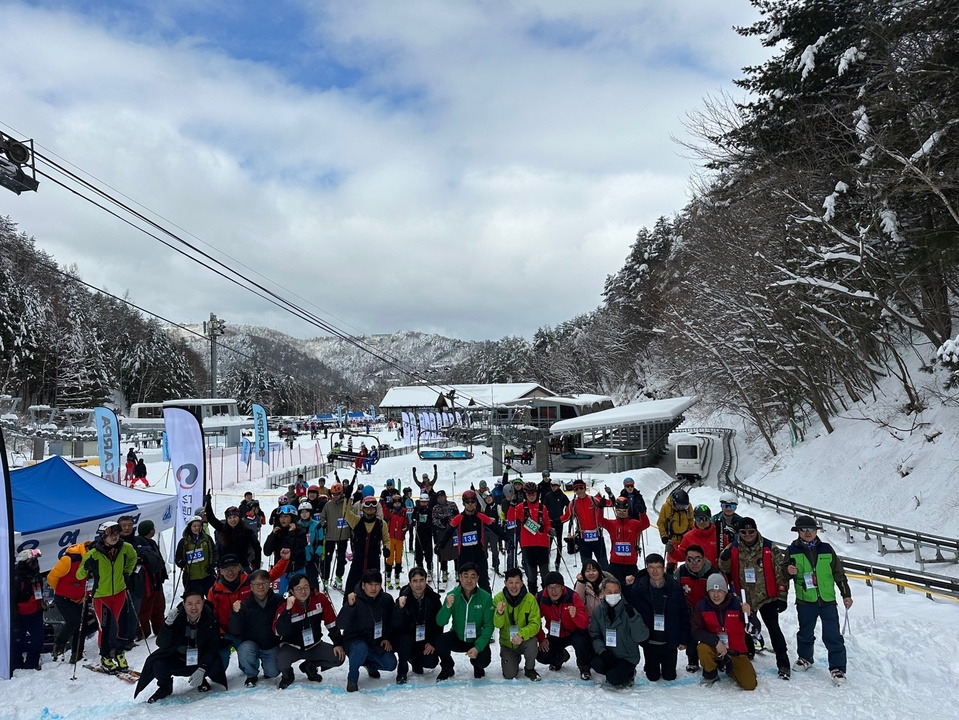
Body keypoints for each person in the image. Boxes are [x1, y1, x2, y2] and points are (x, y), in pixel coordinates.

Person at [718, 516, 791, 678]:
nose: (747, 534)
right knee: (742, 627)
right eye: (743, 532)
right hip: (744, 597)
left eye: (751, 531)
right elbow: (724, 567)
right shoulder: (733, 548)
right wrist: (724, 557)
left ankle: (783, 662)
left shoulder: (770, 547)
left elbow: (781, 574)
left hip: (766, 597)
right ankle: (748, 650)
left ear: (756, 530)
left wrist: (782, 597)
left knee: (773, 628)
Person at [786, 515, 853, 685]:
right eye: (804, 529)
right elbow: (782, 573)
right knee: (805, 632)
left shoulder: (827, 549)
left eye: (811, 529)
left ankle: (837, 668)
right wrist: (788, 571)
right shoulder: (792, 550)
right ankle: (805, 658)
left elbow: (839, 573)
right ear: (798, 532)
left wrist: (846, 594)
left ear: (816, 531)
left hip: (827, 600)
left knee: (833, 635)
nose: (808, 533)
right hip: (805, 600)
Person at [134, 587, 228, 702]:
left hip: (199, 660)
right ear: (183, 604)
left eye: (198, 603)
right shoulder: (176, 617)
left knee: (216, 663)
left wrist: (202, 668)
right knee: (158, 664)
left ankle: (202, 679)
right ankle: (165, 687)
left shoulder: (210, 619)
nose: (194, 607)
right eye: (189, 604)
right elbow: (162, 644)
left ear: (203, 603)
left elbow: (212, 647)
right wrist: (167, 625)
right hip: (178, 659)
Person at [76, 520, 137, 672]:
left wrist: (126, 572)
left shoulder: (125, 547)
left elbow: (133, 557)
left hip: (119, 593)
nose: (114, 537)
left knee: (122, 626)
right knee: (105, 627)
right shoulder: (93, 553)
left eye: (116, 533)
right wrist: (86, 566)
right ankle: (105, 656)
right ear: (103, 536)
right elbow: (79, 575)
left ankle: (120, 653)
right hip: (101, 596)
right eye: (110, 535)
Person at [624, 553, 690, 682]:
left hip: (669, 641)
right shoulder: (639, 587)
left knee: (669, 676)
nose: (655, 571)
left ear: (663, 568)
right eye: (651, 567)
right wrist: (628, 587)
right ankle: (650, 665)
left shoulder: (674, 587)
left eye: (658, 567)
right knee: (652, 677)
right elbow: (628, 606)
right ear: (646, 569)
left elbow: (683, 614)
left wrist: (683, 639)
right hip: (650, 641)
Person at [273, 572, 345, 688]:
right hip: (292, 646)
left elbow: (331, 622)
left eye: (306, 587)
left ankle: (309, 665)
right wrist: (287, 610)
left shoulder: (320, 599)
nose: (303, 591)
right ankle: (287, 675)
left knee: (338, 657)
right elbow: (279, 631)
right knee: (280, 662)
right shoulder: (284, 606)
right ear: (291, 591)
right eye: (298, 588)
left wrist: (337, 643)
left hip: (314, 645)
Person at [690, 573, 757, 690]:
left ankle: (729, 666)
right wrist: (715, 641)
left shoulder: (738, 604)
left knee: (749, 684)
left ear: (725, 591)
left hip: (736, 651)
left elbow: (755, 630)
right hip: (716, 648)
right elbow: (696, 631)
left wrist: (750, 615)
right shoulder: (702, 606)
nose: (716, 595)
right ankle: (711, 674)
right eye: (712, 591)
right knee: (702, 648)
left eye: (719, 591)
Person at [338, 569, 397, 692]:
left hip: (376, 643)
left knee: (391, 664)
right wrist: (349, 606)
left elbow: (392, 622)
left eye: (377, 584)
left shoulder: (386, 599)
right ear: (363, 585)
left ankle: (369, 664)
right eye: (370, 584)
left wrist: (387, 638)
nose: (374, 588)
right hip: (356, 642)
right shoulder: (354, 599)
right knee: (360, 649)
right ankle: (353, 677)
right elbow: (340, 624)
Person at [435, 562, 495, 681]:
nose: (469, 580)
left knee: (484, 660)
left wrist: (478, 647)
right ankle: (447, 666)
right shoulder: (452, 595)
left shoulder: (485, 597)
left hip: (476, 639)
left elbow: (489, 626)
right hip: (458, 637)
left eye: (473, 576)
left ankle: (477, 665)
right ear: (460, 578)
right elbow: (440, 622)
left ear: (477, 578)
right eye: (465, 576)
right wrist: (447, 607)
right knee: (440, 641)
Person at [588, 576, 648, 688]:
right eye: (609, 592)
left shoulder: (629, 610)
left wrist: (633, 618)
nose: (613, 595)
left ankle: (630, 674)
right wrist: (602, 651)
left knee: (613, 678)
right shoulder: (598, 611)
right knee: (596, 663)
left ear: (620, 592)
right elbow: (594, 634)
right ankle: (614, 670)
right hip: (609, 653)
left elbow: (641, 636)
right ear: (603, 592)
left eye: (616, 592)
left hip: (627, 657)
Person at [229, 569, 283, 686]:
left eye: (263, 583)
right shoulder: (244, 605)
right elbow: (235, 630)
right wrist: (235, 613)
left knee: (273, 673)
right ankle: (251, 675)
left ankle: (268, 667)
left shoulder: (278, 601)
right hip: (251, 645)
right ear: (251, 587)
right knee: (245, 649)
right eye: (256, 584)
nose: (260, 587)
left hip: (271, 645)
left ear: (269, 583)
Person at [444, 489, 503, 592]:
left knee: (484, 583)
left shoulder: (481, 517)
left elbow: (495, 528)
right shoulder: (458, 518)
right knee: (464, 585)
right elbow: (448, 532)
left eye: (472, 502)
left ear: (476, 503)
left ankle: (488, 606)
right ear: (463, 503)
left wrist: (507, 539)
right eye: (467, 502)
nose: (470, 504)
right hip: (464, 556)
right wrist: (440, 545)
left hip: (479, 555)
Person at [536, 571, 592, 680]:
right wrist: (541, 638)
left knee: (582, 643)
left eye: (557, 586)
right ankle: (560, 657)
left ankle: (585, 668)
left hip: (574, 632)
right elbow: (534, 620)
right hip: (555, 633)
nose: (554, 591)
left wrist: (575, 615)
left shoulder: (572, 596)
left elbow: (585, 623)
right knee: (542, 655)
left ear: (562, 587)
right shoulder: (539, 598)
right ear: (545, 588)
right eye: (550, 587)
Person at [392, 567, 443, 683]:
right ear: (410, 582)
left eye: (421, 580)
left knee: (431, 662)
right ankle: (402, 669)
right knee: (405, 640)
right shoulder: (403, 598)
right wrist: (400, 608)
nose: (418, 584)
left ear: (426, 581)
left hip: (425, 639)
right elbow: (395, 623)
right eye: (415, 581)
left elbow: (438, 624)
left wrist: (433, 642)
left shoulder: (433, 599)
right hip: (408, 638)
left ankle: (415, 659)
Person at [492, 568, 542, 681]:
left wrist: (521, 635)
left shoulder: (530, 599)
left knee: (532, 642)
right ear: (505, 583)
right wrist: (499, 613)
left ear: (522, 582)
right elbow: (497, 625)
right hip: (507, 644)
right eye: (510, 582)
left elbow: (536, 624)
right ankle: (514, 659)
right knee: (509, 675)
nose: (514, 586)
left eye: (517, 582)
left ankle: (530, 668)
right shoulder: (498, 598)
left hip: (524, 640)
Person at [47, 540, 93, 663]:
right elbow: (51, 577)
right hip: (64, 598)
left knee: (81, 626)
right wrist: (63, 590)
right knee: (73, 622)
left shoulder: (92, 560)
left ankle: (76, 654)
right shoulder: (69, 559)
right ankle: (60, 643)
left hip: (80, 598)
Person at [675, 544, 715, 673]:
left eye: (698, 559)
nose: (694, 563)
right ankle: (692, 659)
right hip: (690, 611)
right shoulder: (680, 572)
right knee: (691, 633)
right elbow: (673, 591)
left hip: (709, 611)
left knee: (711, 634)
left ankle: (715, 658)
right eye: (690, 559)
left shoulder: (713, 573)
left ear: (704, 559)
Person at [507, 481, 553, 592]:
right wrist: (512, 505)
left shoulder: (543, 507)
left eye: (533, 494)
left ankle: (546, 597)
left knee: (544, 573)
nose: (531, 496)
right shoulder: (520, 507)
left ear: (537, 494)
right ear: (525, 494)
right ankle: (533, 597)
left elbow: (547, 523)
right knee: (532, 575)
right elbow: (510, 518)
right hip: (528, 545)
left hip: (542, 544)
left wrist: (550, 530)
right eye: (529, 494)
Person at [599, 496, 650, 586]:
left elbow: (646, 524)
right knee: (615, 587)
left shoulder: (634, 524)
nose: (621, 513)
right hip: (615, 563)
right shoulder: (612, 524)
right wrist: (600, 508)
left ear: (628, 511)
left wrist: (642, 513)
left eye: (624, 511)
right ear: (615, 511)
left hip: (631, 564)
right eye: (619, 511)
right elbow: (599, 521)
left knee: (631, 588)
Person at [204, 492, 262, 572]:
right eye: (230, 518)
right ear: (227, 520)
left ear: (239, 517)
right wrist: (208, 504)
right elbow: (211, 519)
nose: (233, 520)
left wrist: (256, 567)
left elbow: (257, 549)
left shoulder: (247, 532)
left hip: (242, 567)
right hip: (225, 567)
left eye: (235, 517)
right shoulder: (222, 529)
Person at [343, 496, 391, 591]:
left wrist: (387, 548)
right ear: (363, 508)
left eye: (373, 507)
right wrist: (346, 498)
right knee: (351, 589)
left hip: (373, 562)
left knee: (373, 590)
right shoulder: (356, 521)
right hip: (358, 562)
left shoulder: (382, 524)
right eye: (367, 507)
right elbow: (346, 513)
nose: (370, 509)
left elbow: (386, 539)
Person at [562, 479, 610, 569]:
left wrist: (610, 495)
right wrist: (553, 521)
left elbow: (612, 503)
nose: (579, 491)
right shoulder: (573, 503)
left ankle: (606, 582)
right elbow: (566, 516)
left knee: (603, 564)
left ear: (584, 488)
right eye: (576, 489)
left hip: (597, 536)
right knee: (586, 566)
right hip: (583, 538)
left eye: (581, 488)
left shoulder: (593, 499)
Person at [135, 520, 169, 642]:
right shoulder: (141, 543)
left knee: (158, 606)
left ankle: (158, 628)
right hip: (148, 581)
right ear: (150, 530)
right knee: (147, 608)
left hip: (154, 581)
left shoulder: (150, 542)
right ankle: (142, 632)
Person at [117, 515, 146, 649]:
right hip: (119, 585)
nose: (127, 528)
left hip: (136, 583)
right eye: (124, 525)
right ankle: (119, 640)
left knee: (134, 613)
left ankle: (129, 638)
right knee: (120, 614)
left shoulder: (139, 540)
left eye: (129, 525)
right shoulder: (114, 542)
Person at [13, 549, 45, 671]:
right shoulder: (16, 579)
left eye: (36, 561)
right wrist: (15, 620)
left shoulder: (36, 576)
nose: (35, 564)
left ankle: (32, 663)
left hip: (35, 613)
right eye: (32, 561)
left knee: (38, 639)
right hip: (20, 616)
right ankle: (16, 665)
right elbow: (12, 601)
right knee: (17, 642)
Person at [320, 480, 354, 590]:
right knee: (328, 559)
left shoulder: (346, 503)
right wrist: (323, 524)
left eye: (337, 494)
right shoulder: (328, 505)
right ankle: (325, 579)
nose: (335, 496)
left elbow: (351, 515)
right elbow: (322, 518)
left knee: (341, 559)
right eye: (333, 494)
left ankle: (339, 577)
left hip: (342, 536)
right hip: (330, 536)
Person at [174, 515, 218, 596]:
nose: (197, 528)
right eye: (194, 526)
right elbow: (178, 557)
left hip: (207, 576)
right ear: (190, 527)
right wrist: (181, 562)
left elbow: (214, 552)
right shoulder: (183, 541)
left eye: (199, 526)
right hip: (191, 578)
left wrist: (213, 564)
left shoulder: (207, 539)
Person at [657, 488, 694, 573]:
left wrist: (692, 533)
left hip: (685, 538)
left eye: (684, 506)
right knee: (672, 562)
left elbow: (691, 520)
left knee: (689, 558)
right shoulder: (666, 507)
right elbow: (661, 523)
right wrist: (663, 535)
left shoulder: (688, 507)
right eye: (680, 506)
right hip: (672, 539)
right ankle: (670, 576)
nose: (682, 508)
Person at [432, 490, 459, 589]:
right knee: (443, 553)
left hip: (453, 531)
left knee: (456, 551)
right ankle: (444, 571)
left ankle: (457, 571)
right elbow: (434, 520)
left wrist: (453, 519)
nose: (441, 499)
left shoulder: (452, 505)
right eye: (439, 497)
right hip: (442, 532)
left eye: (442, 497)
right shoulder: (435, 508)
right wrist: (442, 523)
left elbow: (458, 516)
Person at [542, 477, 570, 571]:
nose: (553, 487)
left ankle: (558, 561)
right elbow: (544, 508)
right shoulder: (548, 495)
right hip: (549, 522)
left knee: (559, 542)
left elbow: (569, 505)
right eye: (552, 486)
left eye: (555, 486)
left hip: (559, 522)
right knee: (548, 542)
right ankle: (546, 561)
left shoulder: (562, 496)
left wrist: (567, 512)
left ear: (558, 486)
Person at [295, 501, 325, 588]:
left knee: (312, 580)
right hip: (300, 558)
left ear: (310, 512)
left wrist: (317, 554)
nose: (304, 514)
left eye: (306, 512)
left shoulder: (316, 525)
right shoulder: (297, 525)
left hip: (312, 557)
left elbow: (320, 541)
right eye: (302, 512)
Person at [385, 494, 409, 589]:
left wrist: (405, 527)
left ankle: (397, 579)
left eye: (399, 502)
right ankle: (388, 579)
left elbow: (407, 524)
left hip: (399, 538)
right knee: (390, 558)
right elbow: (385, 516)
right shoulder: (390, 512)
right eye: (395, 503)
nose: (397, 504)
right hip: (391, 538)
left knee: (398, 558)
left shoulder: (404, 512)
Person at [713, 491, 743, 558]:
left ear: (735, 508)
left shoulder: (741, 521)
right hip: (718, 551)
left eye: (732, 506)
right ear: (721, 506)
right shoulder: (714, 520)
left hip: (736, 552)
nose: (728, 509)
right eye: (725, 506)